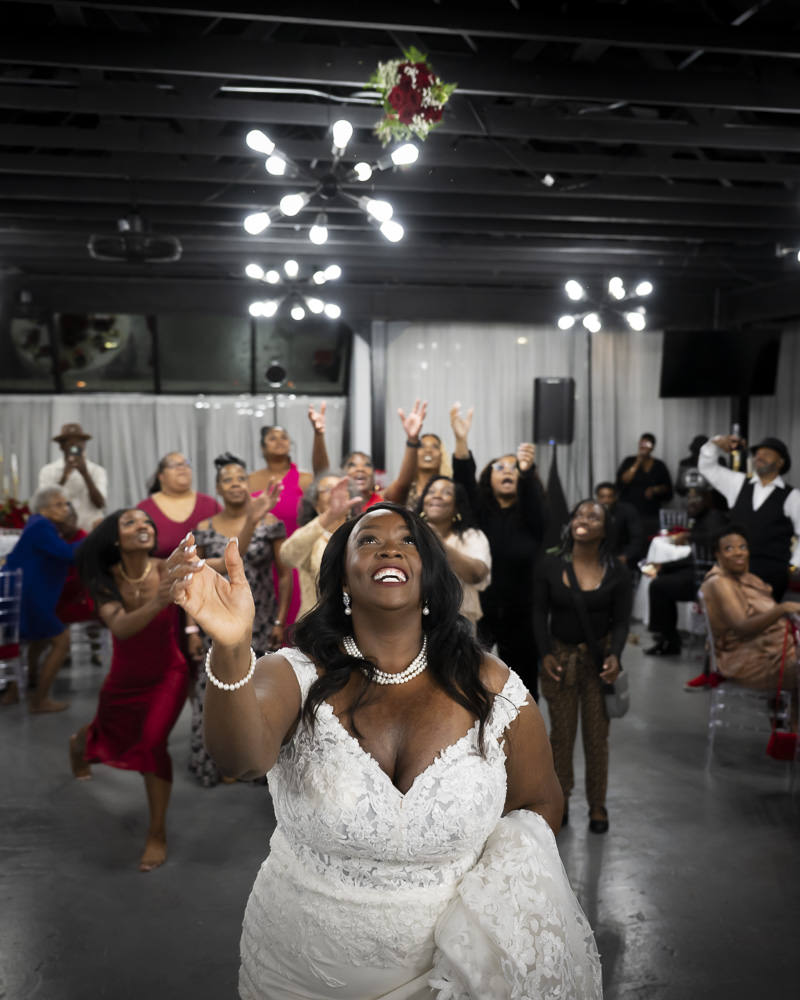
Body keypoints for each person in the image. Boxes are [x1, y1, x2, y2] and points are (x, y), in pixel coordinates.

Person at [167, 503, 601, 999]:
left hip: (452, 974)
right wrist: (230, 646)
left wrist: (489, 920)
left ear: (430, 575)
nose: (390, 547)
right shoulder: (291, 674)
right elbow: (239, 760)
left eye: (408, 540)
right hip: (298, 974)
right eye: (369, 540)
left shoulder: (491, 686)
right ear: (343, 579)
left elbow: (539, 803)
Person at [69, 508, 195, 872]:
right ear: (115, 539)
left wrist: (246, 527)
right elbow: (121, 628)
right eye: (131, 522)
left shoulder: (165, 567)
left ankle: (157, 834)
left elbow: (215, 563)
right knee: (105, 734)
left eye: (146, 521)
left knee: (153, 744)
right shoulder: (105, 580)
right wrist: (159, 600)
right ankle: (79, 744)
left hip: (169, 673)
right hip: (123, 679)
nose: (143, 525)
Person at [189, 454, 290, 786]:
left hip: (260, 620)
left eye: (241, 478)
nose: (235, 484)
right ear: (218, 488)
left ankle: (257, 761)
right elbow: (194, 579)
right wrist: (191, 628)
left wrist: (279, 621)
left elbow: (284, 575)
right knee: (216, 686)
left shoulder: (270, 522)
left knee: (258, 688)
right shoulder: (205, 529)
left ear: (249, 485)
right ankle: (217, 761)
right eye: (227, 479)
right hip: (216, 622)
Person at [535, 499, 632, 834]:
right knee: (561, 736)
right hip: (561, 662)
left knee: (596, 737)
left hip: (598, 663)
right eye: (579, 514)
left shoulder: (617, 571)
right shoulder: (550, 564)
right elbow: (538, 612)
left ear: (605, 530)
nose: (584, 519)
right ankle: (559, 799)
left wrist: (615, 655)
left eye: (594, 517)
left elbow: (621, 621)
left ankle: (597, 804)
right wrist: (545, 653)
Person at [450, 403, 546, 698]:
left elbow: (534, 501)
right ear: (488, 478)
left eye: (514, 468)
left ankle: (523, 724)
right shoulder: (480, 511)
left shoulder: (531, 515)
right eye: (500, 467)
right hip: (482, 608)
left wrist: (527, 472)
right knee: (470, 678)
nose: (508, 471)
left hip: (523, 609)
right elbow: (463, 483)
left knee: (523, 684)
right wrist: (461, 441)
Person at [247, 405, 330, 628]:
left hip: (296, 559)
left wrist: (318, 434)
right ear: (262, 447)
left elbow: (323, 475)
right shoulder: (250, 480)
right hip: (260, 564)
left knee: (297, 624)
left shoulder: (304, 479)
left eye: (284, 437)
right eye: (272, 438)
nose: (279, 441)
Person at [2, 487, 84, 711]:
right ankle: (39, 700)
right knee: (61, 640)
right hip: (30, 597)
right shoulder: (41, 526)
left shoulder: (39, 525)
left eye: (65, 504)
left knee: (38, 641)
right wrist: (93, 539)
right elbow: (69, 554)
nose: (65, 508)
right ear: (43, 509)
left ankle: (16, 691)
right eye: (59, 505)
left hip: (27, 595)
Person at [699, 434, 800, 600]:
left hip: (771, 573)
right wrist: (715, 444)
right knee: (731, 612)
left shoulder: (792, 496)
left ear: (780, 462)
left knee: (763, 615)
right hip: (733, 569)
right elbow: (707, 468)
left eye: (767, 454)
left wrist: (794, 565)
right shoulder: (738, 483)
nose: (759, 457)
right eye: (757, 454)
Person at [700, 524, 800, 690]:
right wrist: (782, 608)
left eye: (743, 547)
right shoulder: (719, 583)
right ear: (717, 554)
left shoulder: (747, 578)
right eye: (729, 548)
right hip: (747, 659)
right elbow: (742, 627)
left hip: (768, 649)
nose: (738, 552)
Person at [645, 488, 729, 656]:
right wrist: (665, 566)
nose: (691, 503)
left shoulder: (714, 518)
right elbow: (695, 556)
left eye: (696, 498)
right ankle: (667, 636)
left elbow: (712, 544)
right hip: (699, 570)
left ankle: (668, 639)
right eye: (689, 499)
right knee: (661, 577)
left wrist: (690, 537)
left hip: (709, 577)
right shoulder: (699, 519)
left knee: (658, 586)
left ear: (706, 500)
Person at [279, 473, 362, 621]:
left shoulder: (361, 535)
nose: (334, 493)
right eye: (327, 489)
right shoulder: (310, 538)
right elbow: (286, 556)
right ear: (316, 505)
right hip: (315, 625)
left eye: (339, 488)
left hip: (358, 624)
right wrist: (330, 515)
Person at [417, 475, 491, 631]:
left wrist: (439, 543)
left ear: (457, 507)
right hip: (415, 622)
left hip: (459, 625)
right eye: (431, 492)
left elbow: (477, 574)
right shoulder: (408, 535)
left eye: (446, 492)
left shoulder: (472, 537)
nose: (437, 496)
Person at [137, 451, 220, 558]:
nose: (182, 467)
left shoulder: (211, 505)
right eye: (173, 465)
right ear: (161, 476)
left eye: (186, 464)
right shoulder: (144, 509)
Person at [38, 422, 107, 531]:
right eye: (69, 443)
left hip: (91, 530)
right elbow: (45, 504)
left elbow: (100, 504)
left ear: (84, 445)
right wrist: (64, 477)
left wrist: (86, 474)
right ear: (61, 446)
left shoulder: (97, 471)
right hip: (61, 530)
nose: (74, 446)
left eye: (78, 442)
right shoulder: (47, 471)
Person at [616, 432, 673, 540]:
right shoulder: (629, 461)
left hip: (650, 511)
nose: (644, 446)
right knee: (629, 537)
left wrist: (655, 489)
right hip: (630, 508)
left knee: (649, 538)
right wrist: (638, 461)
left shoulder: (659, 465)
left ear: (653, 447)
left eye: (648, 444)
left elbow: (667, 487)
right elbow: (623, 481)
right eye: (642, 443)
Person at [595, 480, 644, 566]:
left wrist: (626, 555)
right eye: (602, 497)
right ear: (597, 498)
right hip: (598, 556)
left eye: (609, 497)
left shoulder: (627, 511)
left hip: (622, 555)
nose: (606, 500)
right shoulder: (592, 513)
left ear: (615, 497)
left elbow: (637, 538)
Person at [403, 432, 453, 510]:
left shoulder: (451, 489)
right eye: (422, 446)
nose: (428, 450)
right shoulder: (404, 488)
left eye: (435, 447)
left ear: (442, 455)